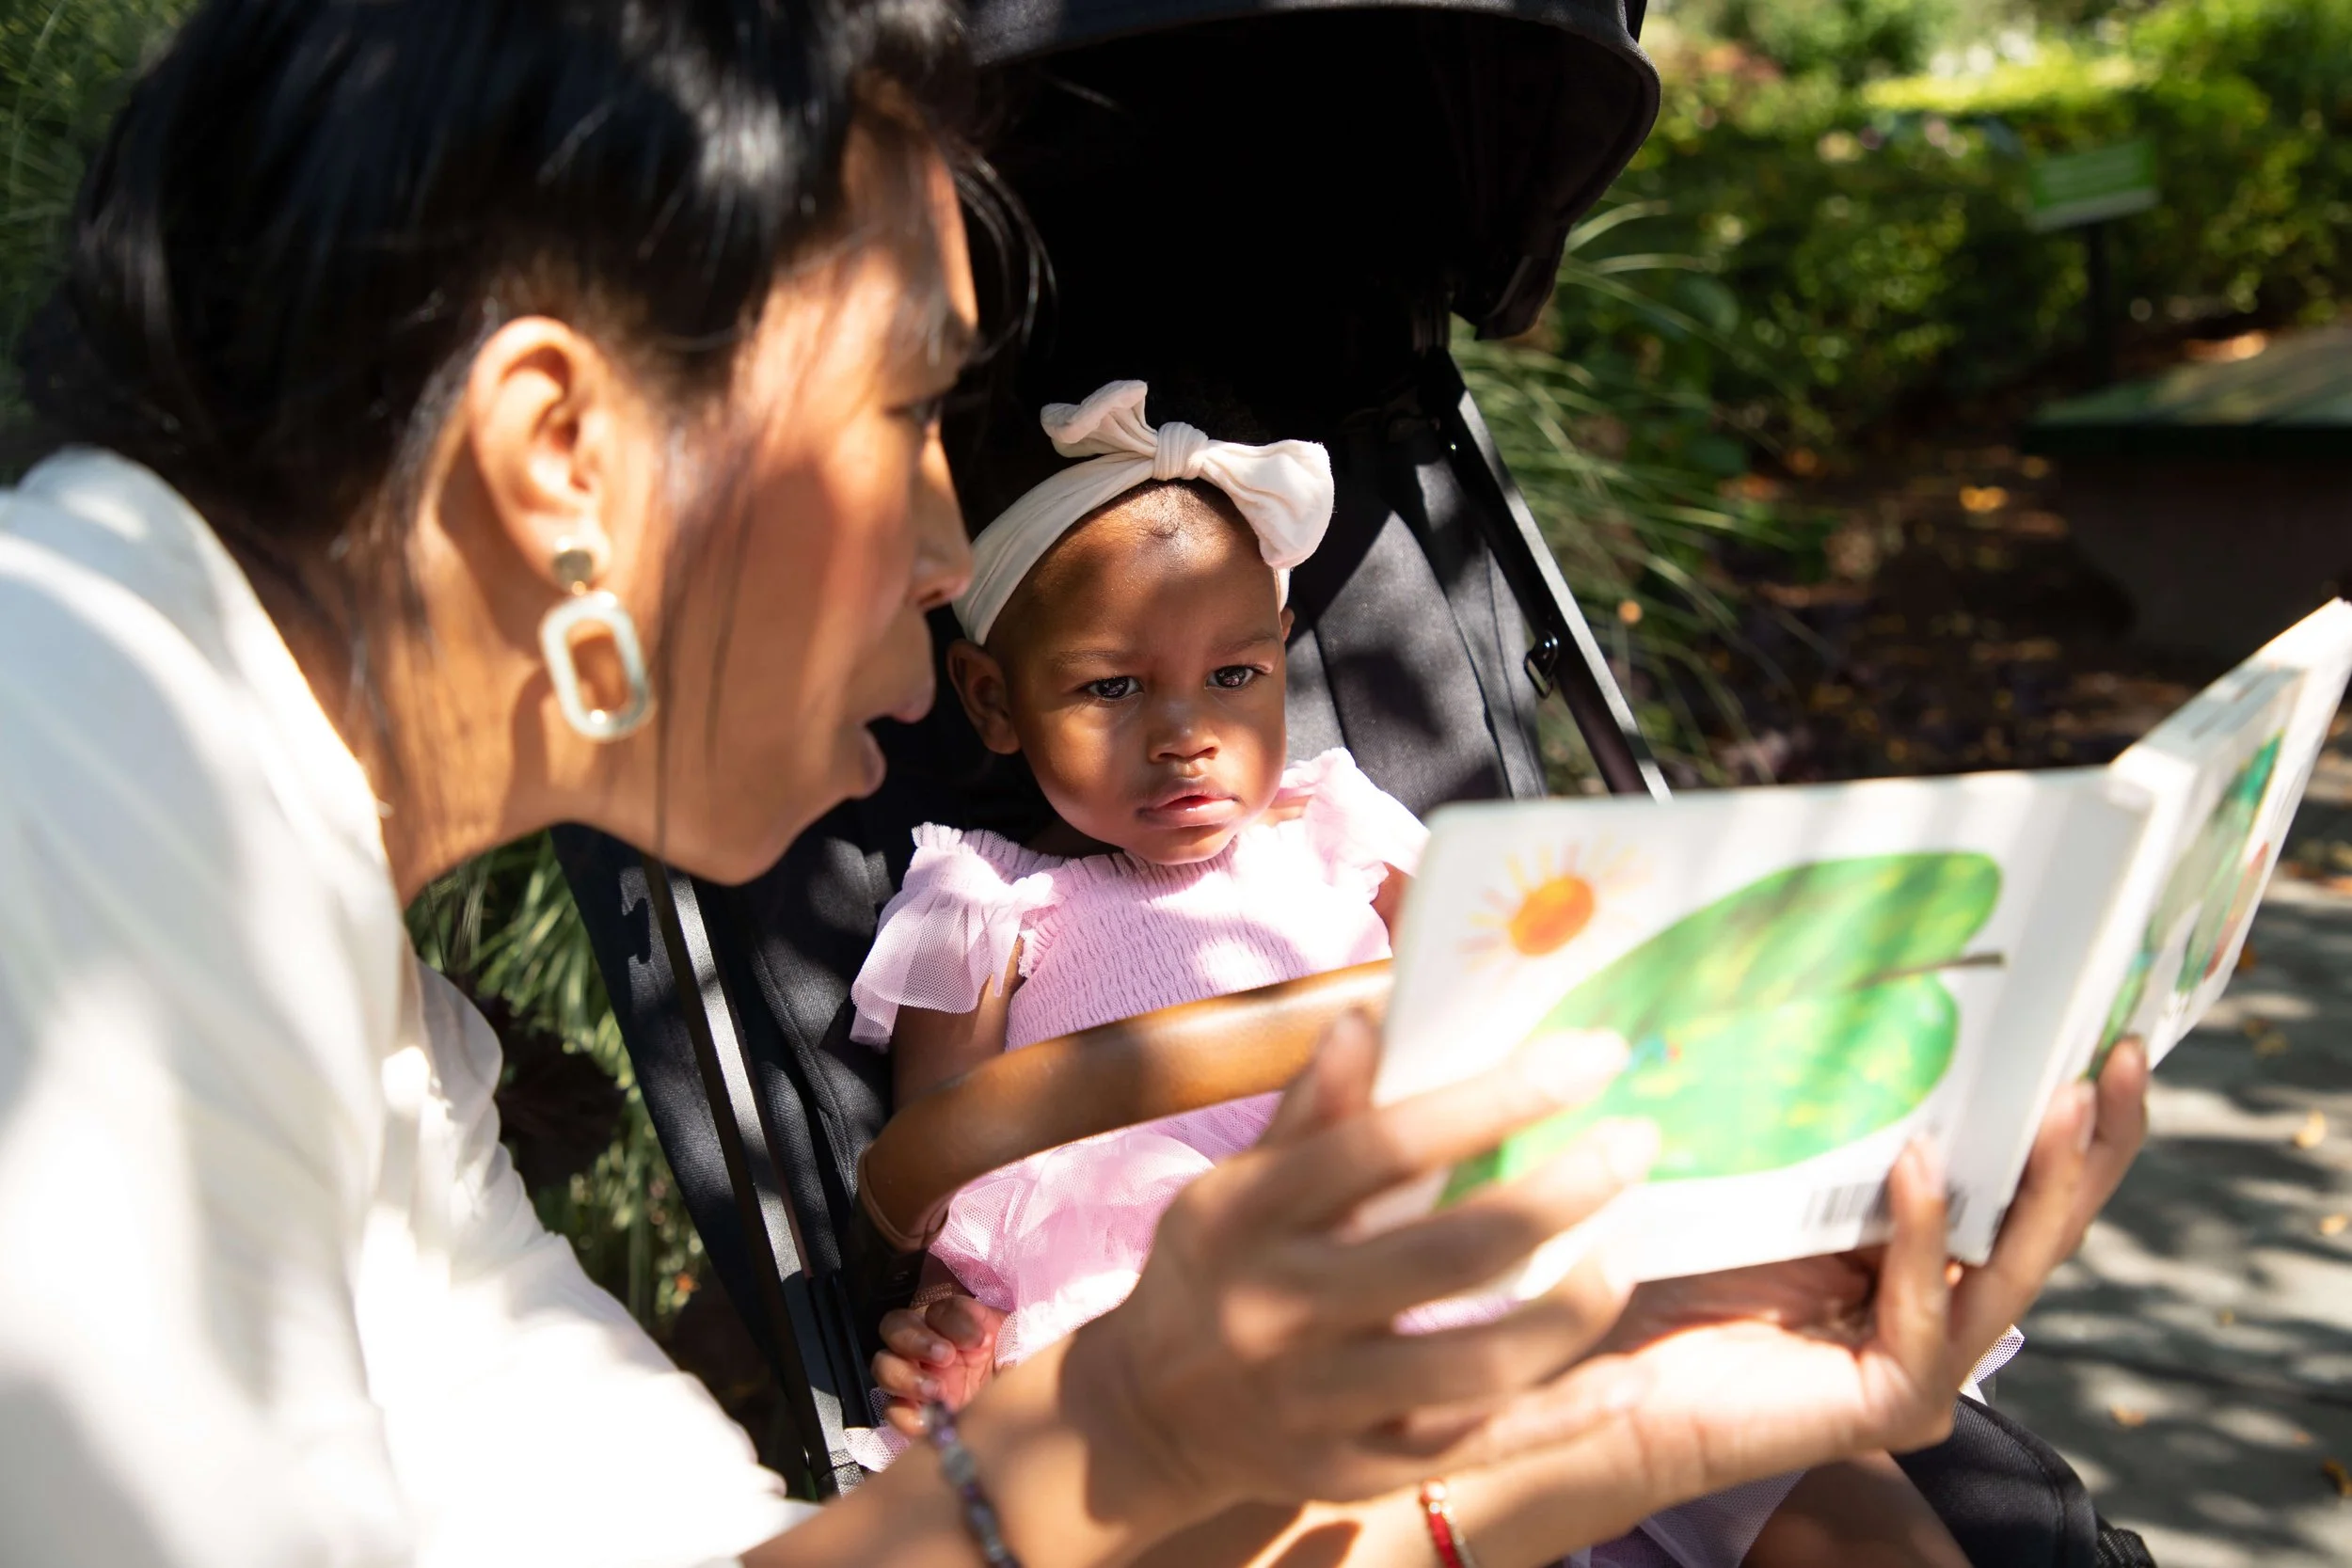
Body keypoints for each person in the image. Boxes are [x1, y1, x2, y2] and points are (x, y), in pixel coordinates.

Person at [0, 3, 2151, 1566]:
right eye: (913, 402)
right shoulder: (59, 864)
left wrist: (1627, 1419)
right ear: (560, 458)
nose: (951, 553)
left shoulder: (341, 989)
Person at [848, 381, 1990, 1568]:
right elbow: (945, 1159)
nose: (1184, 730)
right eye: (1112, 687)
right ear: (993, 699)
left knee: (1790, 1439)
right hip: (1183, 1299)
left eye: (1233, 675)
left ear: (1280, 659)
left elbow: (1514, 976)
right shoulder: (986, 903)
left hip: (1453, 1215)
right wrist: (954, 1320)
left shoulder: (1336, 827)